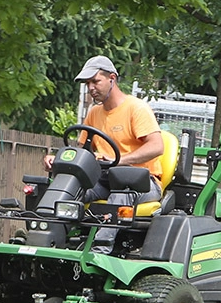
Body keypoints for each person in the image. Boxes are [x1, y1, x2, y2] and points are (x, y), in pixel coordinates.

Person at [44, 55, 165, 202]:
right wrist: (58, 160)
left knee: (121, 195)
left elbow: (157, 146)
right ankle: (47, 224)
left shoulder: (136, 108)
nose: (91, 88)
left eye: (95, 81)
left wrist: (119, 160)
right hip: (105, 179)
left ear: (112, 78)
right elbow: (82, 151)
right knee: (69, 192)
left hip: (142, 182)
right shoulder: (94, 113)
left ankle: (106, 225)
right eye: (88, 83)